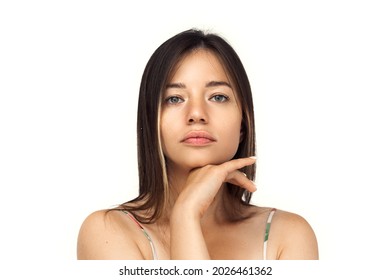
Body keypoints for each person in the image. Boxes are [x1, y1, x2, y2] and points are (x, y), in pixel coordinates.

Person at [77, 29, 319, 260]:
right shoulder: (107, 231)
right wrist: (186, 214)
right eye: (174, 99)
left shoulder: (287, 236)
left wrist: (185, 215)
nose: (196, 114)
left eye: (218, 97)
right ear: (151, 123)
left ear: (243, 123)